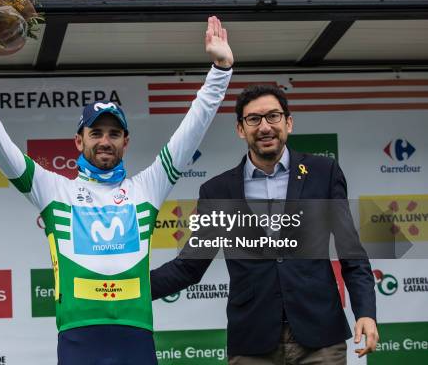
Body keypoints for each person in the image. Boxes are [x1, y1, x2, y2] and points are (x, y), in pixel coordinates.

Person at [0, 16, 234, 364]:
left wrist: (220, 70)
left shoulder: (147, 188)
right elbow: (2, 150)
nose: (105, 141)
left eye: (114, 134)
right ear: (79, 141)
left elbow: (190, 132)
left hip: (135, 336)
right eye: (96, 133)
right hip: (79, 337)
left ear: (126, 142)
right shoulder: (53, 189)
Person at [150, 84, 379, 364]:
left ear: (288, 122)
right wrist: (130, 288)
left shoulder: (323, 173)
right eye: (254, 119)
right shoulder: (218, 191)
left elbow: (350, 251)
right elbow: (189, 266)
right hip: (252, 343)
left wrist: (366, 312)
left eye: (273, 116)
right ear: (240, 129)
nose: (265, 126)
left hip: (320, 338)